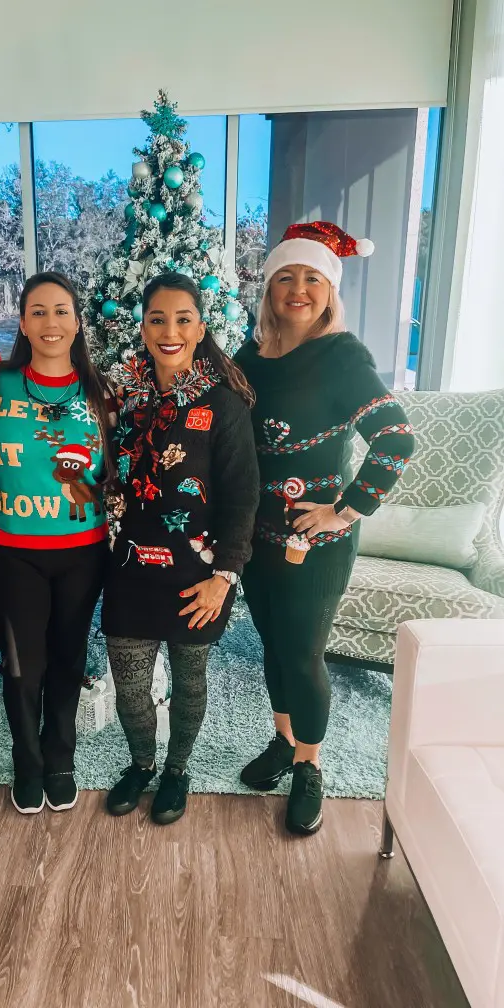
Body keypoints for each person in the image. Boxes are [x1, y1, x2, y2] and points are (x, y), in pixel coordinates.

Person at [234, 221, 416, 836]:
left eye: (313, 278)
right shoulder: (248, 358)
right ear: (269, 288)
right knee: (272, 644)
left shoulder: (343, 357)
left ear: (330, 291)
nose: (298, 288)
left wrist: (344, 510)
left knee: (304, 651)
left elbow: (396, 438)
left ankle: (310, 766)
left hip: (317, 541)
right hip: (255, 536)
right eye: (286, 276)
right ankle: (284, 741)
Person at [102, 273, 259, 825]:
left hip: (199, 574)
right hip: (128, 570)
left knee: (191, 681)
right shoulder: (119, 396)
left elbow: (243, 496)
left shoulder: (223, 404)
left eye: (182, 319)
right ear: (142, 326)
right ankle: (142, 763)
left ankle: (177, 770)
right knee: (129, 691)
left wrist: (225, 577)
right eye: (157, 319)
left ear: (200, 326)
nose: (170, 331)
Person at [0, 272, 115, 815]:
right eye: (37, 311)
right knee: (22, 664)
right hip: (13, 550)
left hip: (83, 551)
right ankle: (28, 759)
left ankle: (61, 754)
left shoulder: (102, 391)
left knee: (68, 656)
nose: (50, 322)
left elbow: (119, 470)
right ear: (22, 323)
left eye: (61, 310)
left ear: (77, 321)